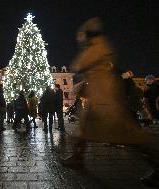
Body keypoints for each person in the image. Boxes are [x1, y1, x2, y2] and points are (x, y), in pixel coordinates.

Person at [61, 17, 158, 187]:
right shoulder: (101, 45)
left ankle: (157, 165)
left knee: (128, 134)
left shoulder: (97, 46)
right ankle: (77, 156)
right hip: (100, 94)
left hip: (104, 95)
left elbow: (78, 65)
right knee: (85, 127)